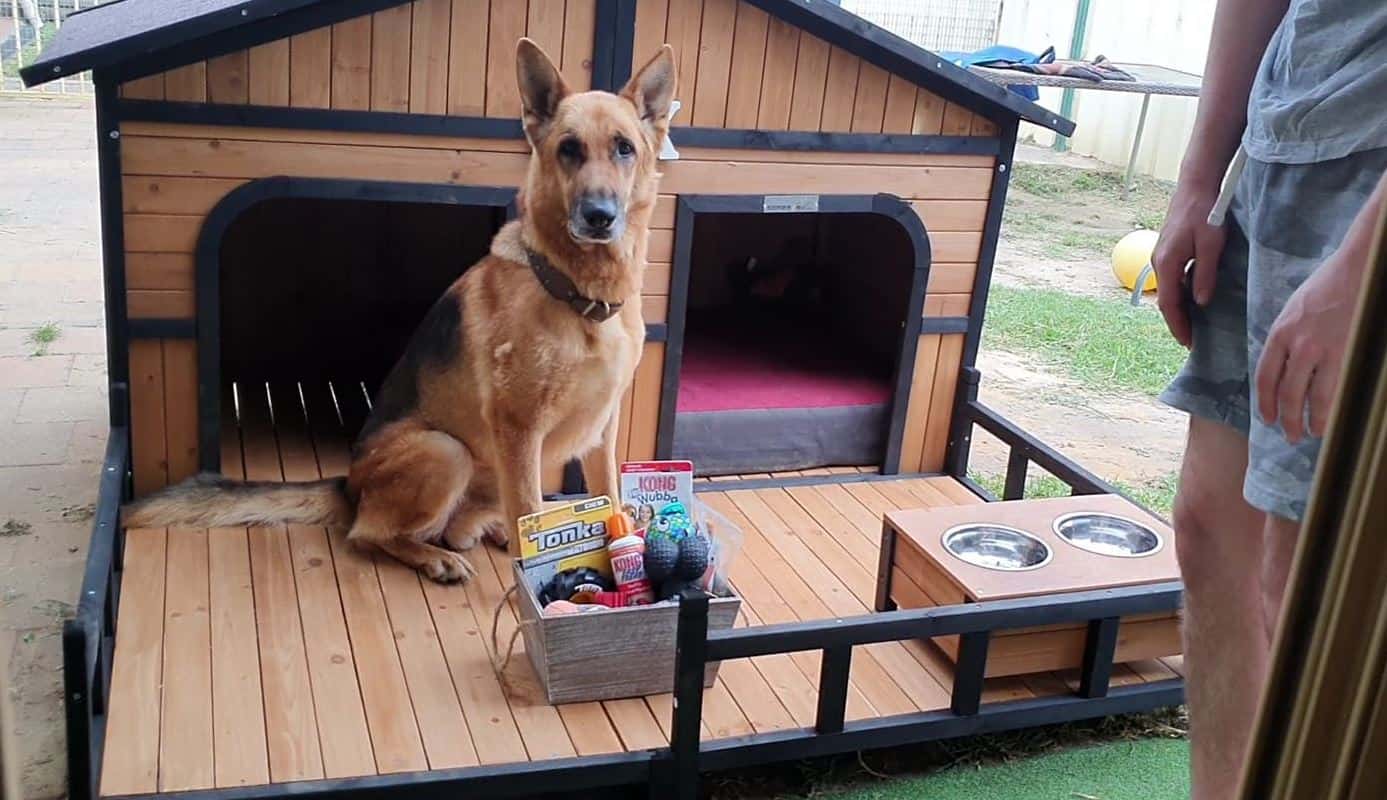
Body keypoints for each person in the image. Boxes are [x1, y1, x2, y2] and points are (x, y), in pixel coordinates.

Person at [1151, 0, 1387, 797]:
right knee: (1209, 528)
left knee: (1311, 591)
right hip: (1277, 153)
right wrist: (1198, 179)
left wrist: (1367, 263)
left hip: (1370, 184)